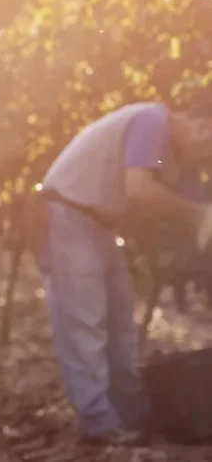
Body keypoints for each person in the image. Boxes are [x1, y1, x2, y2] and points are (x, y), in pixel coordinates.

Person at [38, 101, 212, 446]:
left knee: (120, 325)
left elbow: (197, 212)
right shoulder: (151, 120)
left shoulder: (178, 158)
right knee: (85, 325)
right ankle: (99, 424)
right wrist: (199, 217)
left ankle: (134, 417)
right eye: (208, 142)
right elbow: (140, 189)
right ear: (200, 125)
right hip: (69, 215)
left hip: (102, 225)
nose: (205, 153)